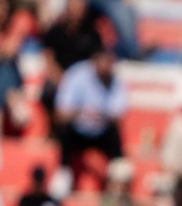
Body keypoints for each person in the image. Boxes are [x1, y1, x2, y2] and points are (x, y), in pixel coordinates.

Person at [52, 49, 129, 185]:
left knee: (115, 136)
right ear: (94, 62)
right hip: (77, 131)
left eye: (110, 63)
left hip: (101, 132)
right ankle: (62, 176)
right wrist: (81, 113)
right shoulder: (76, 75)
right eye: (104, 62)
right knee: (65, 133)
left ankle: (118, 182)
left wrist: (100, 116)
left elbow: (119, 118)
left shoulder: (116, 81)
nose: (107, 67)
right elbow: (61, 114)